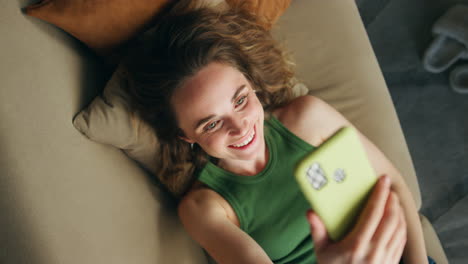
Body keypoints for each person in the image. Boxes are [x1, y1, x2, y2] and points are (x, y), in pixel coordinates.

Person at [121, 3, 432, 264]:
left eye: (240, 100)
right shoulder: (205, 209)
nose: (240, 127)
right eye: (211, 123)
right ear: (185, 135)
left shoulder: (308, 118)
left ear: (251, 83)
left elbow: (395, 188)